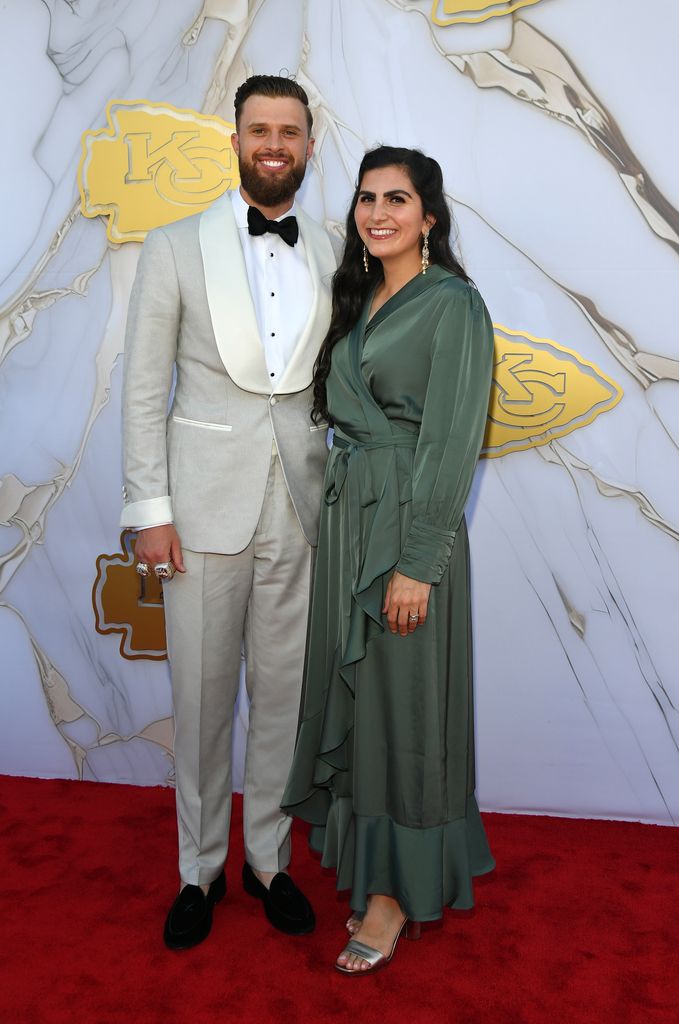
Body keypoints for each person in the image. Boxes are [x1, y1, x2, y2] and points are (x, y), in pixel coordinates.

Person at [120, 75, 336, 949]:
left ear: (309, 145)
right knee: (202, 699)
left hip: (301, 506)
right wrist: (149, 510)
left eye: (289, 130)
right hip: (199, 511)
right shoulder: (174, 247)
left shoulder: (330, 247)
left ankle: (268, 861)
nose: (273, 144)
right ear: (236, 139)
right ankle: (198, 871)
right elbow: (141, 392)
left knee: (282, 700)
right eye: (259, 130)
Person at [282, 146, 496, 974]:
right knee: (365, 703)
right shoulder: (359, 297)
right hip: (349, 525)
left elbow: (451, 443)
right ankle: (372, 868)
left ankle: (395, 895)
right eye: (367, 198)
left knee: (410, 710)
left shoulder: (454, 306)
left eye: (397, 199)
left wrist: (418, 561)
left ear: (429, 219)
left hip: (408, 523)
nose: (377, 212)